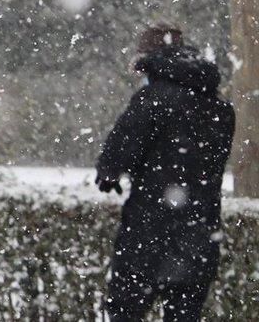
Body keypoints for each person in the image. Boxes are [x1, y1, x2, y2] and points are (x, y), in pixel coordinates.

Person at [95, 24, 234, 322]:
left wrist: (109, 173)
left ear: (148, 59)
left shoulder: (152, 99)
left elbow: (118, 151)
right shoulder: (221, 107)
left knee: (124, 311)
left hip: (149, 235)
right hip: (200, 234)